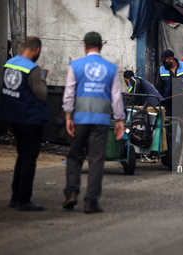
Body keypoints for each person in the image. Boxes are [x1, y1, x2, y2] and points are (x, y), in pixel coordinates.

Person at [62, 31, 125, 214]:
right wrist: (120, 119)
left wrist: (68, 116)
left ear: (84, 45)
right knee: (96, 160)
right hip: (101, 121)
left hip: (79, 119)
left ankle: (72, 193)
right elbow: (116, 97)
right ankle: (91, 201)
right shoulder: (111, 69)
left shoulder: (76, 66)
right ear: (101, 46)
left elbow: (69, 93)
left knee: (75, 156)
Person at [0, 36, 49, 211]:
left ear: (22, 48)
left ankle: (14, 197)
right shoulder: (32, 68)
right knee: (29, 159)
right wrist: (42, 78)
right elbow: (41, 94)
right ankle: (23, 199)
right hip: (30, 119)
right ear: (37, 50)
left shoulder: (10, 64)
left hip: (13, 117)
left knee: (21, 155)